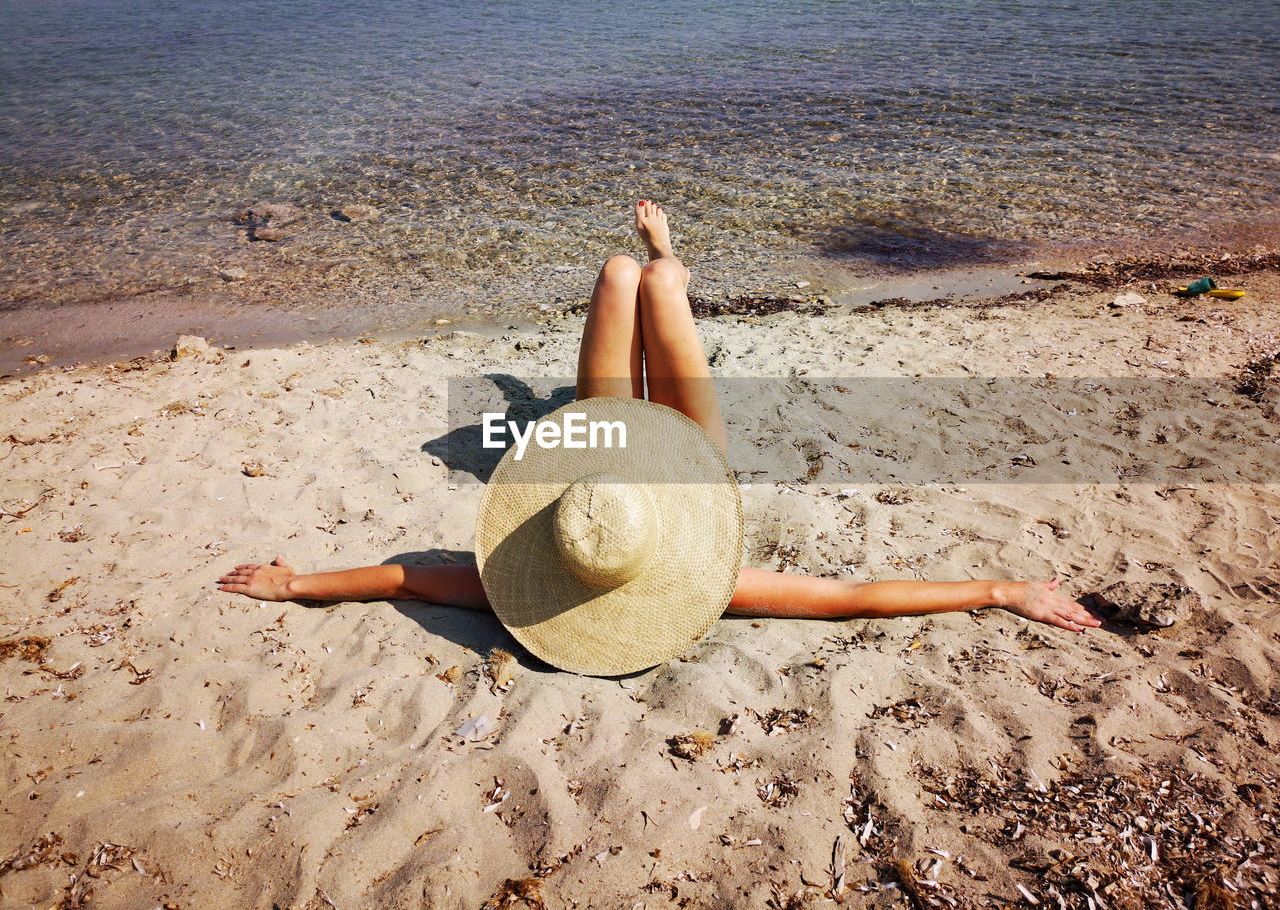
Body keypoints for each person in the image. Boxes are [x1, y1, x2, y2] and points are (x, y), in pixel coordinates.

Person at [218, 201, 1101, 635]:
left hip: (593, 461)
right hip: (683, 474)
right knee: (655, 283)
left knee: (613, 278)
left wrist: (298, 584)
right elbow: (845, 602)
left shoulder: (554, 565)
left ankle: (654, 261)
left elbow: (404, 580)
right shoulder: (706, 587)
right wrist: (1003, 588)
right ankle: (668, 256)